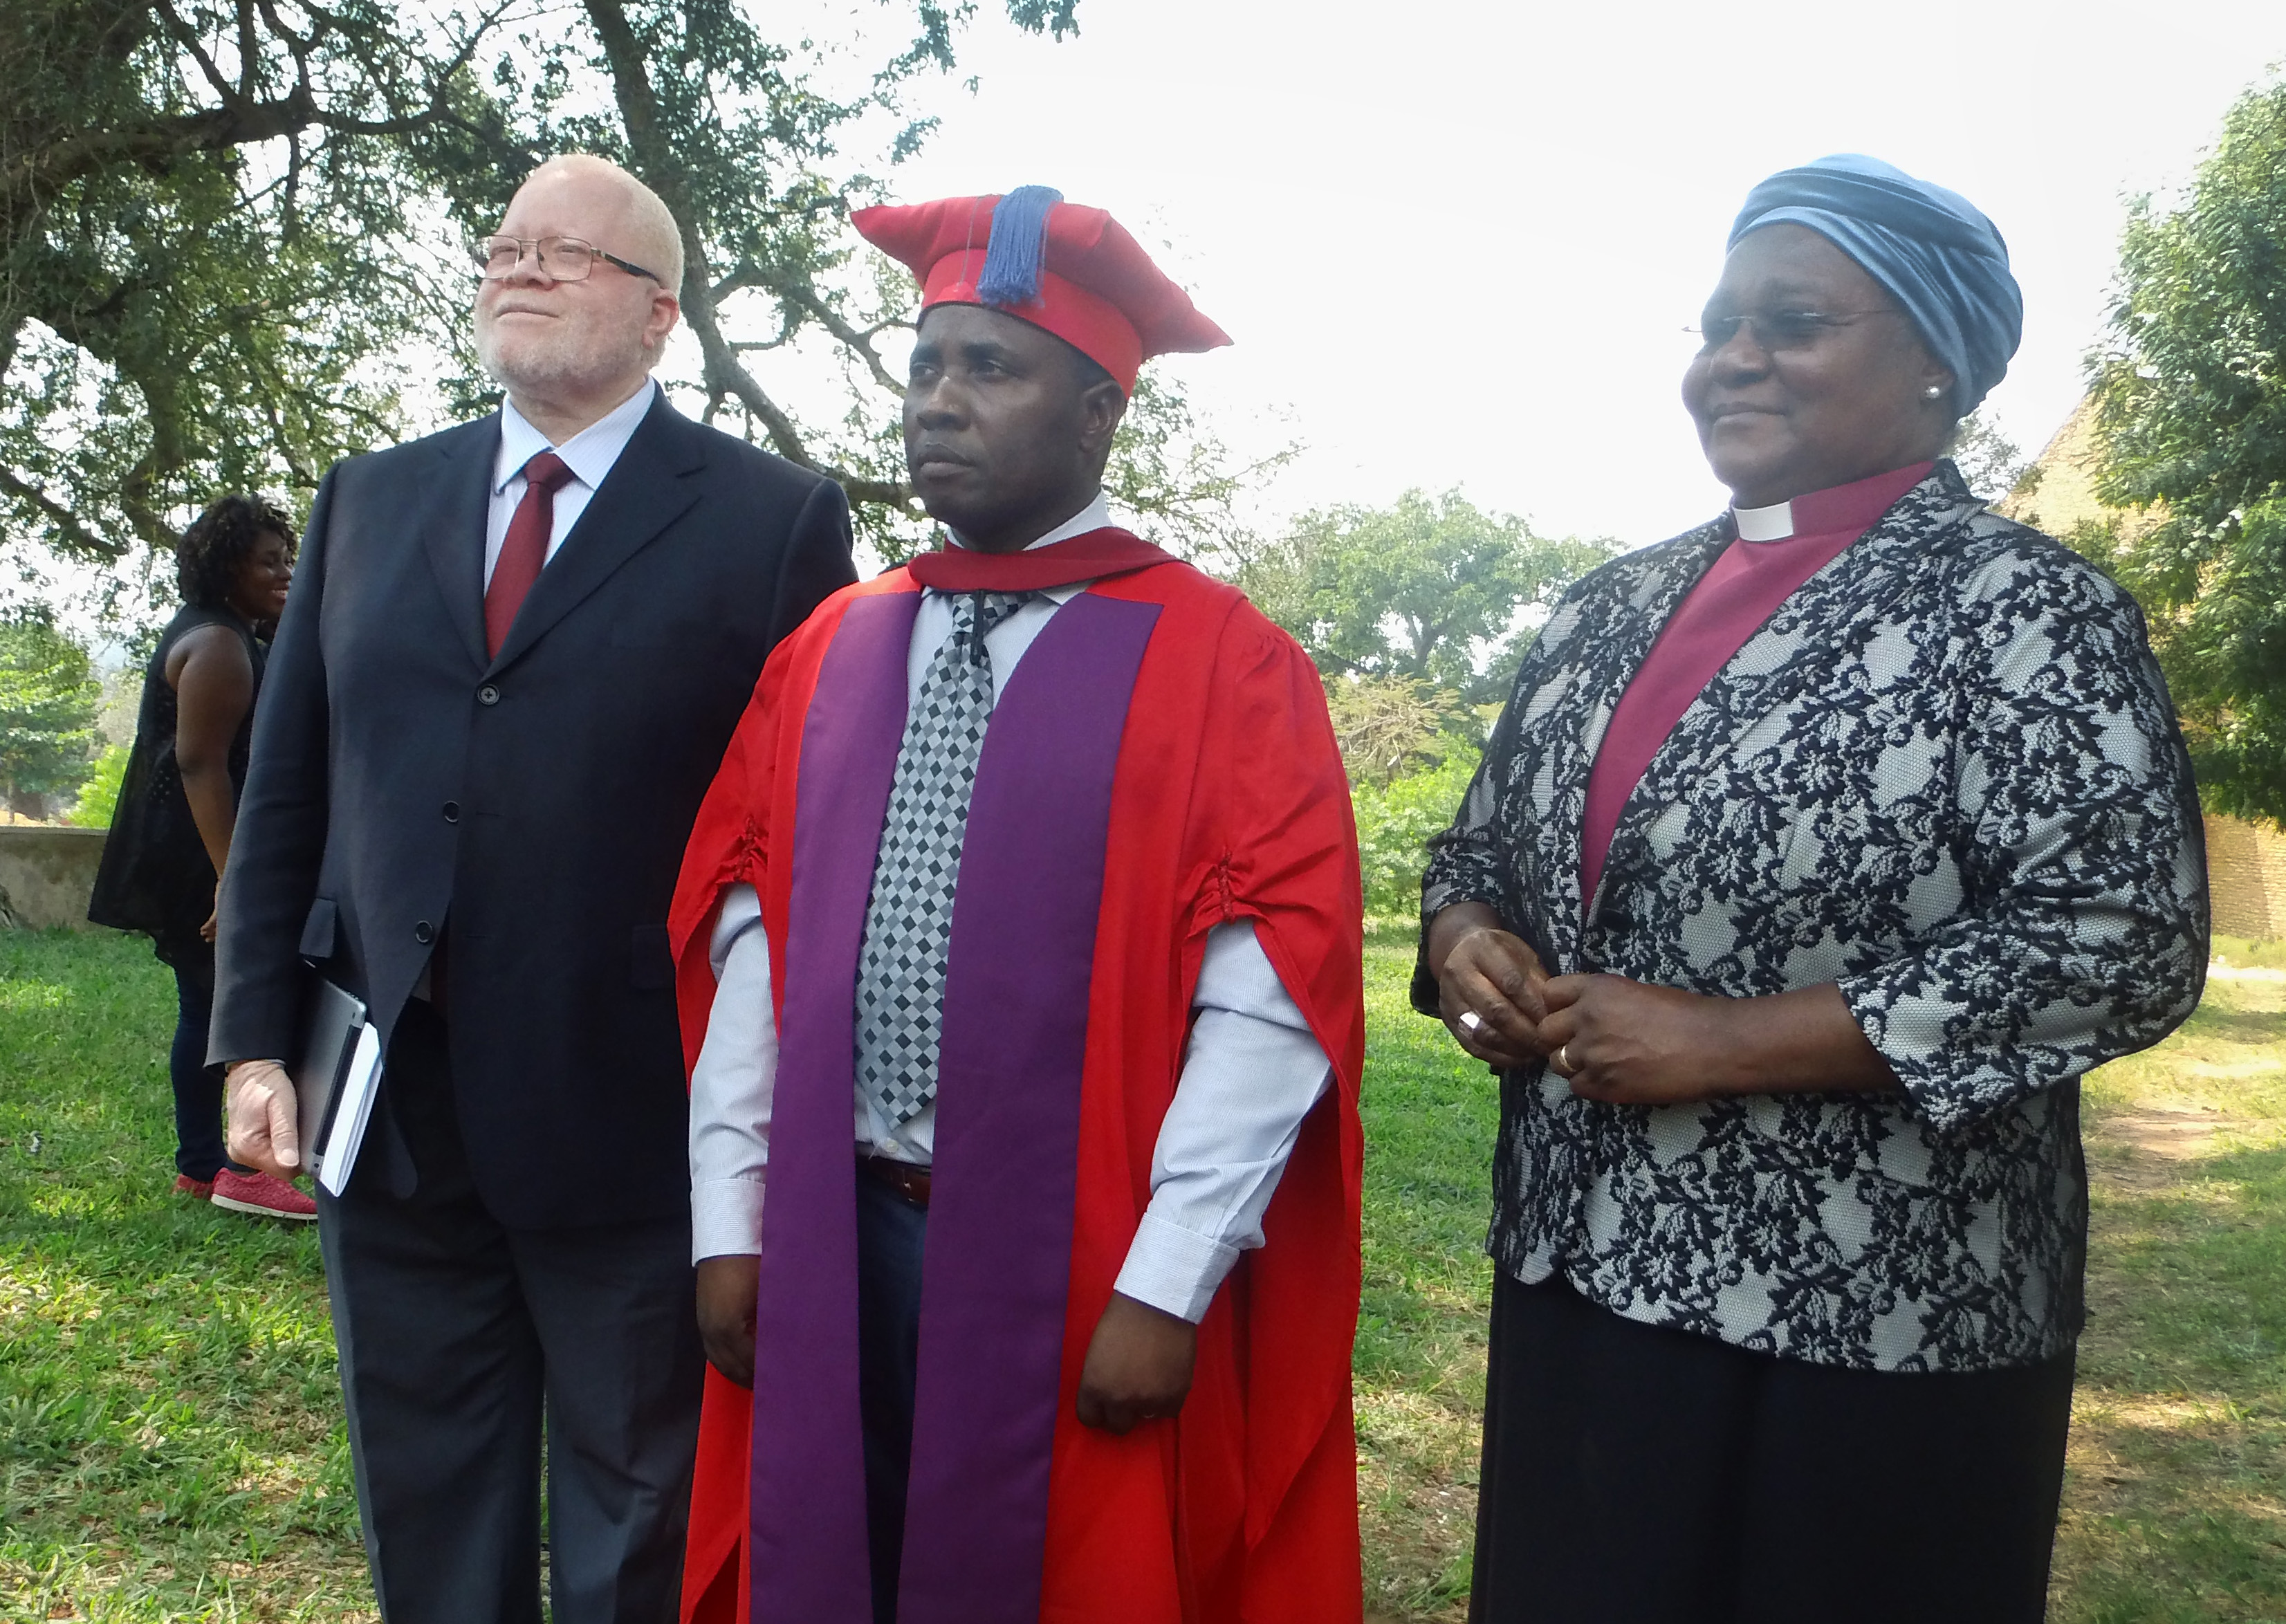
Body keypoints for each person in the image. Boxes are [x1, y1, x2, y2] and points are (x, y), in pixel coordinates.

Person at [1417, 154, 2210, 1624]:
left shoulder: (2023, 612)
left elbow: (2120, 935)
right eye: (1714, 324)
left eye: (1790, 321)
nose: (1730, 358)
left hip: (1875, 1316)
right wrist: (1467, 942)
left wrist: (1729, 1041)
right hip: (1582, 1274)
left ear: (1932, 362)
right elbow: (1474, 851)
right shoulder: (1606, 606)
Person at [672, 187, 1366, 1624]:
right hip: (830, 1218)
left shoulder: (1221, 662)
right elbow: (748, 951)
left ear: (1099, 413)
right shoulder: (836, 645)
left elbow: (1264, 1000)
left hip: (1081, 1244)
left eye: (992, 368)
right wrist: (727, 1219)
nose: (939, 401)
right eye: (925, 365)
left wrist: (1166, 1282)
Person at [210, 154, 856, 1624]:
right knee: (425, 1477)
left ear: (656, 315)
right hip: (387, 1098)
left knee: (638, 1498)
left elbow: (801, 835)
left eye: (565, 252)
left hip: (630, 1105)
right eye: (503, 245)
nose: (518, 265)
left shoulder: (772, 522)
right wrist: (253, 1035)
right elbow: (287, 790)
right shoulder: (371, 499)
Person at [88, 495, 311, 1221]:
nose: (286, 570)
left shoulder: (243, 631)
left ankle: (205, 1163)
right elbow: (198, 765)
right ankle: (213, 1164)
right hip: (199, 850)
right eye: (268, 560)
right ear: (226, 568)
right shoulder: (216, 644)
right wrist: (233, 880)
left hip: (209, 846)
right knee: (216, 1004)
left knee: (210, 999)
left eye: (289, 556)